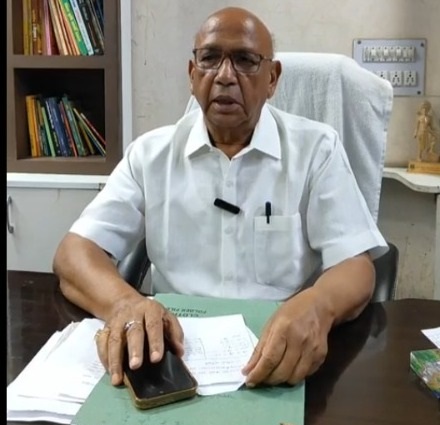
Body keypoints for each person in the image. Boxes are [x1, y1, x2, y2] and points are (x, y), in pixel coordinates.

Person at [53, 6, 388, 389]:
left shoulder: (316, 150)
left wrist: (318, 306)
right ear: (192, 74)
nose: (225, 76)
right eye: (210, 58)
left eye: (245, 60)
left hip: (281, 354)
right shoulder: (150, 155)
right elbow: (74, 253)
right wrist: (124, 304)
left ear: (272, 79)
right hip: (171, 357)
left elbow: (356, 265)